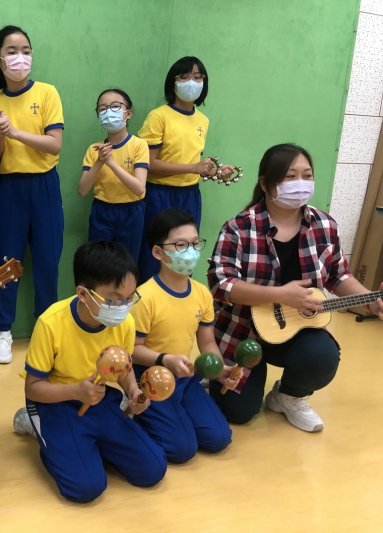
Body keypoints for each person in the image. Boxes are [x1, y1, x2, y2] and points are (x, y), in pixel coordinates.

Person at [207, 143, 383, 431]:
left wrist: (370, 299)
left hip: (295, 329)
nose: (300, 183)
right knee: (238, 413)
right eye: (290, 176)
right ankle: (222, 377)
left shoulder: (325, 225)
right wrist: (280, 294)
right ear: (265, 184)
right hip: (241, 332)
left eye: (307, 175)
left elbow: (338, 276)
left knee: (323, 356)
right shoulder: (238, 228)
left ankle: (287, 396)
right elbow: (220, 285)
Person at [13, 241, 166, 503]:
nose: (123, 307)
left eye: (129, 298)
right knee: (86, 488)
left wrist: (133, 390)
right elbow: (33, 388)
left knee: (153, 468)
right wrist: (76, 391)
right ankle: (35, 424)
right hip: (54, 402)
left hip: (98, 398)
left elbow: (123, 367)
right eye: (114, 300)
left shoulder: (126, 322)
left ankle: (85, 444)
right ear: (83, 294)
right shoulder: (50, 323)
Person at [0, 25, 65, 364]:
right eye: (12, 51)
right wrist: (2, 134)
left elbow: (54, 145)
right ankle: (3, 330)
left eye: (26, 51)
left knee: (47, 261)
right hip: (11, 187)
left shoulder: (47, 92)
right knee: (7, 261)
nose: (20, 57)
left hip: (45, 185)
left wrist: (15, 131)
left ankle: (46, 331)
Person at [129, 209, 236, 463]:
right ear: (158, 252)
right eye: (180, 245)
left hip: (185, 377)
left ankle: (175, 416)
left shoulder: (201, 293)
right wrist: (165, 360)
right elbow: (132, 350)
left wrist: (219, 369)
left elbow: (207, 341)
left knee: (219, 438)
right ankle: (135, 410)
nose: (190, 251)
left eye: (195, 243)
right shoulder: (144, 297)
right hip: (152, 378)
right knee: (182, 450)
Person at [137, 56, 236, 283]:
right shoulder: (159, 116)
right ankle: (150, 301)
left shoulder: (202, 120)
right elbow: (148, 164)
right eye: (184, 77)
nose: (192, 82)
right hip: (159, 195)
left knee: (185, 255)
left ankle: (180, 301)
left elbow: (190, 162)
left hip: (190, 196)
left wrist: (214, 171)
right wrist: (193, 167)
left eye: (198, 77)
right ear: (173, 83)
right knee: (155, 256)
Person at [78, 89, 149, 261]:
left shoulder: (139, 145)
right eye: (102, 108)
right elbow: (82, 190)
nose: (108, 112)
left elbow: (139, 188)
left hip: (131, 212)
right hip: (102, 211)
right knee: (97, 262)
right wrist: (100, 161)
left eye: (115, 106)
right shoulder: (94, 150)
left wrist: (110, 163)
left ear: (128, 113)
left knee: (126, 263)